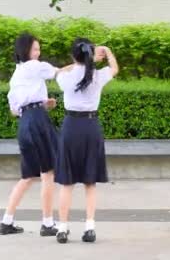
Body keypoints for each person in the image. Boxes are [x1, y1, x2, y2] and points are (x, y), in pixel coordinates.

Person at [0, 32, 71, 236]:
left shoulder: (16, 74)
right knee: (48, 173)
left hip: (25, 123)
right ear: (26, 50)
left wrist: (41, 103)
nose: (38, 53)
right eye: (35, 49)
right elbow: (59, 72)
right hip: (38, 122)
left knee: (28, 176)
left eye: (39, 49)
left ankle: (6, 222)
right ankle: (48, 224)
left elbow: (14, 110)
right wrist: (83, 63)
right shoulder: (34, 66)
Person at [54, 38, 119, 244]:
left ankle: (62, 229)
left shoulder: (66, 76)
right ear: (91, 55)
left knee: (67, 182)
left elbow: (58, 71)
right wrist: (106, 53)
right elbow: (115, 69)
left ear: (74, 56)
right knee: (90, 182)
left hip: (71, 126)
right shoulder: (98, 76)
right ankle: (90, 227)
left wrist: (81, 60)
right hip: (91, 127)